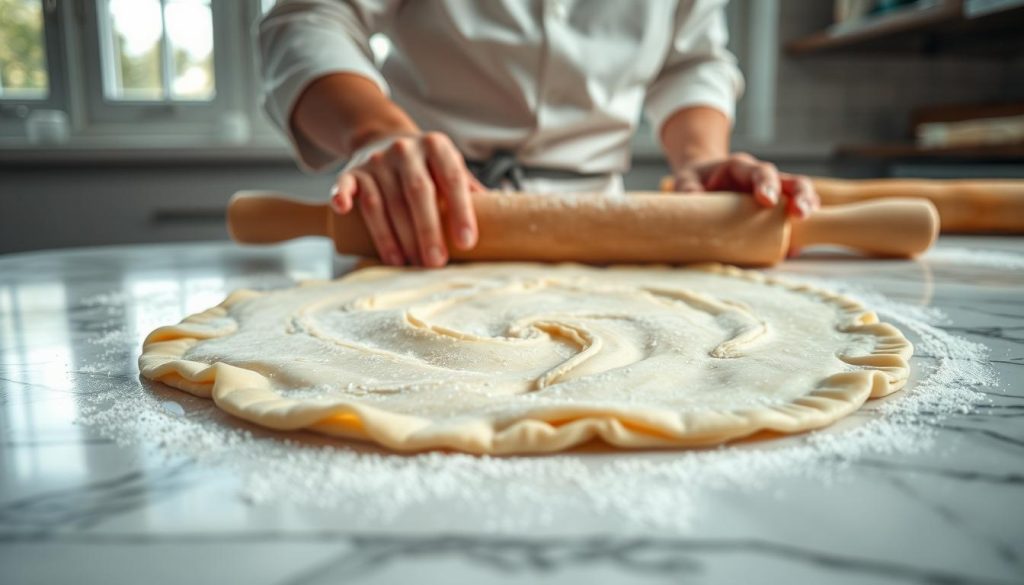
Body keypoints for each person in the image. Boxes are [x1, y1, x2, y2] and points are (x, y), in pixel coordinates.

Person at [259, 0, 820, 268]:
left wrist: (702, 158)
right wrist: (378, 132)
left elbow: (691, 61)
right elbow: (311, 18)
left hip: (602, 231)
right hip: (416, 214)